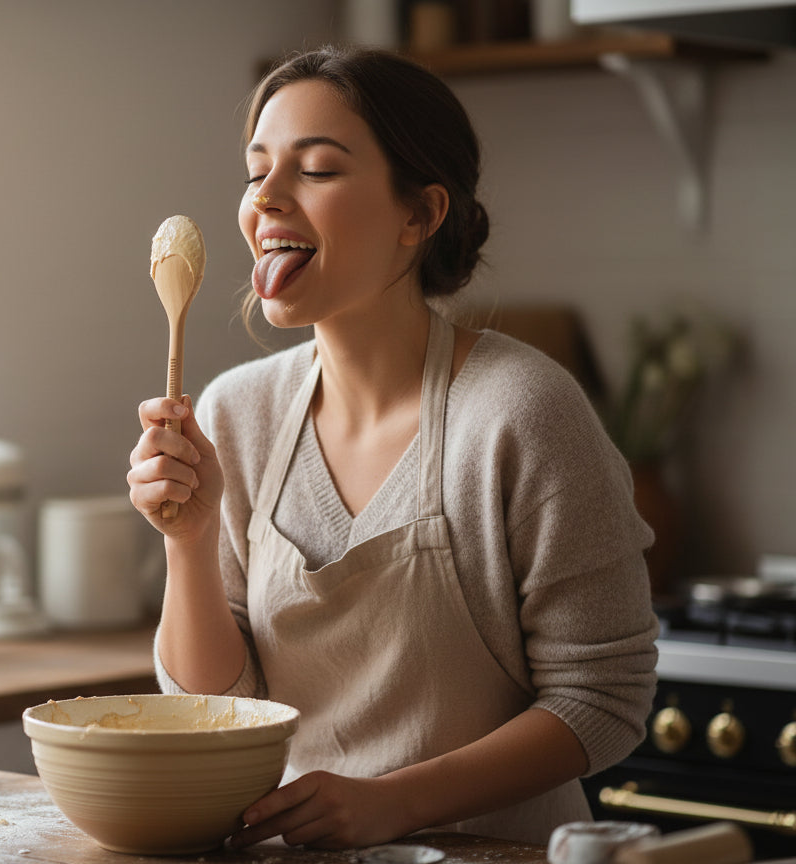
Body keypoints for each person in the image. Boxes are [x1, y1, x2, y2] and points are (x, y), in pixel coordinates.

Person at [126, 45, 658, 850]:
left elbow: (603, 701)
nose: (265, 198)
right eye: (256, 169)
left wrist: (397, 803)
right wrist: (189, 544)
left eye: (317, 170)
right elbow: (216, 707)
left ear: (420, 214)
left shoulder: (523, 412)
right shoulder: (238, 412)